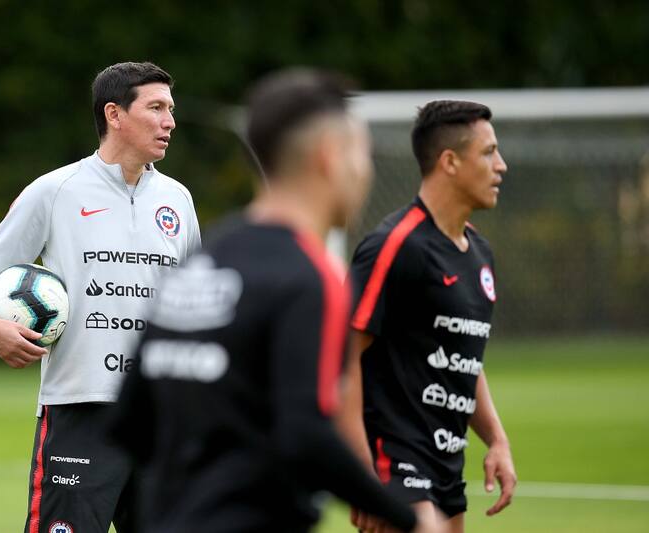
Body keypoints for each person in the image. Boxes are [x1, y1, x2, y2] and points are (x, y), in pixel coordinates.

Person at [109, 69, 442, 533]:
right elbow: (305, 434)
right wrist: (405, 516)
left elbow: (129, 421)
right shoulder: (311, 275)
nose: (365, 171)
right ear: (329, 157)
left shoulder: (202, 262)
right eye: (361, 154)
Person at [0, 61, 200, 533]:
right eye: (156, 108)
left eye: (170, 109)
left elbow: (195, 309)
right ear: (114, 114)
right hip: (79, 411)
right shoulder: (55, 191)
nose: (170, 121)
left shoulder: (178, 200)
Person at [341, 100, 517, 532]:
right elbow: (340, 358)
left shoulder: (480, 253)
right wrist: (363, 474)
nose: (502, 166)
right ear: (450, 162)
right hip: (395, 464)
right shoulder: (395, 247)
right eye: (489, 152)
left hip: (446, 465)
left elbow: (464, 359)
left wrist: (495, 439)